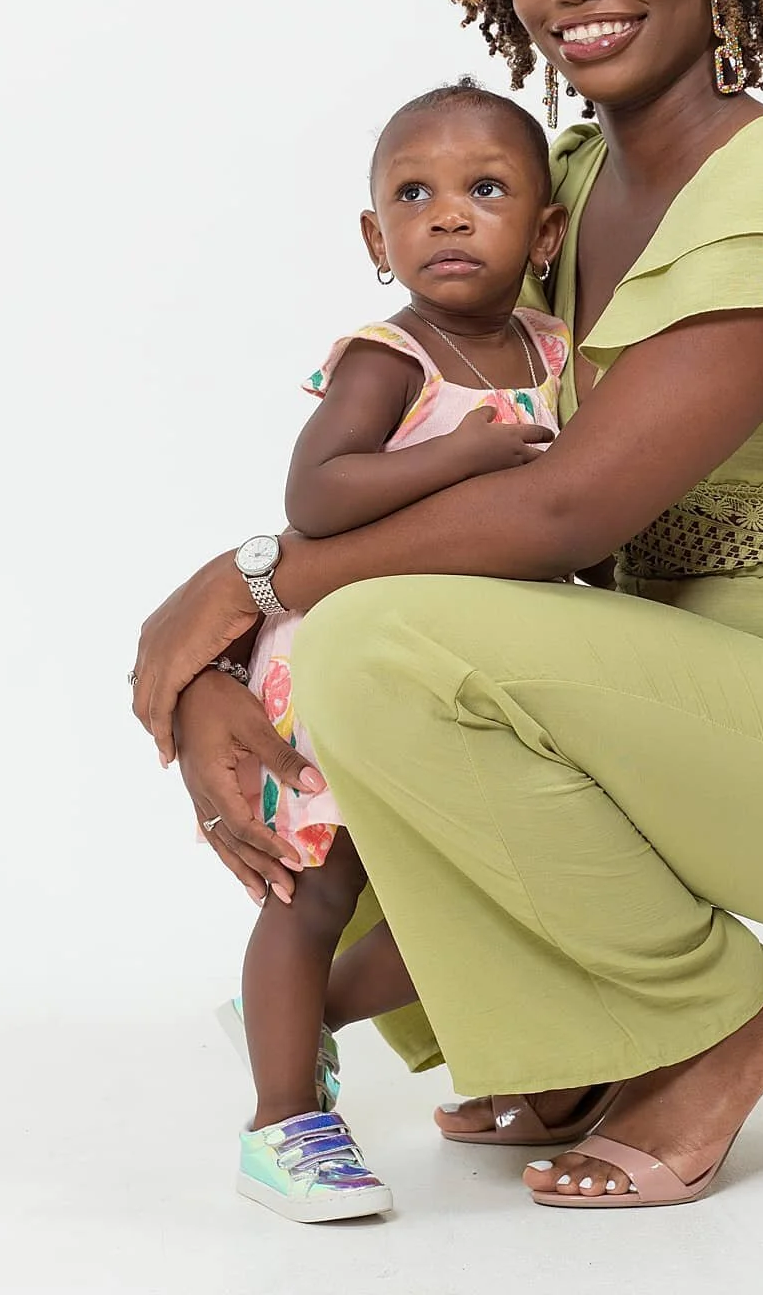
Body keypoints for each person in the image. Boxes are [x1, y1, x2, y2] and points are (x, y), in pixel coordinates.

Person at [131, 0, 763, 1214]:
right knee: (370, 663)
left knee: (379, 641)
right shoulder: (553, 190)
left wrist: (252, 586)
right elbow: (422, 425)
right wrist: (236, 670)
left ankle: (728, 1022)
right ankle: (597, 1034)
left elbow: (558, 516)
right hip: (667, 707)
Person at [201, 81, 571, 1221]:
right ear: (378, 237)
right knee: (314, 896)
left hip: (464, 676)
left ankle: (298, 1016)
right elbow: (317, 491)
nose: (448, 216)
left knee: (464, 900)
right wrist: (460, 456)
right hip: (339, 667)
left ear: (545, 235)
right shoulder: (389, 353)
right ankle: (283, 1122)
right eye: (414, 195)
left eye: (485, 191)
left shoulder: (558, 350)